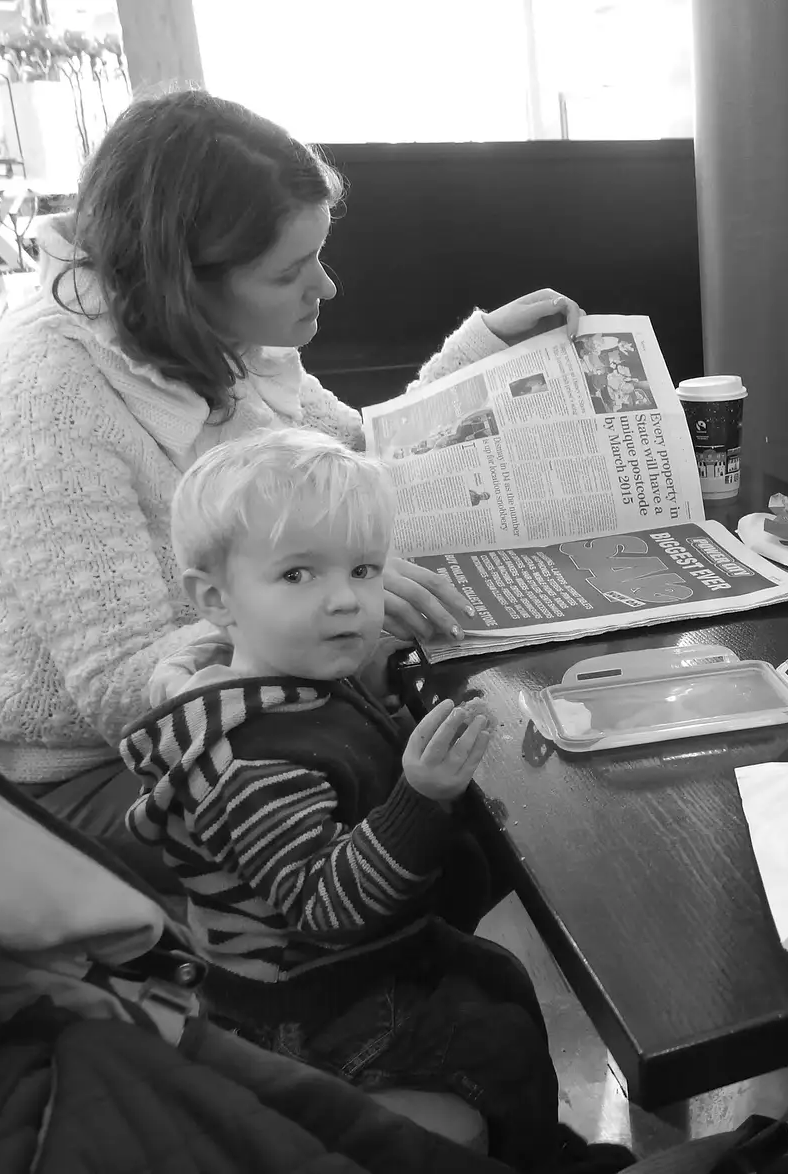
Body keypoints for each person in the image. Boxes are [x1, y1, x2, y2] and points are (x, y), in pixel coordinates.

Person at [0, 89, 580, 887]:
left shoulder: (212, 331)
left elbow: (347, 460)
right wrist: (331, 593)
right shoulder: (46, 390)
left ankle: (394, 979)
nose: (326, 288)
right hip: (105, 769)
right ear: (181, 278)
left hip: (269, 691)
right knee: (430, 790)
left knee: (483, 764)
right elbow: (123, 687)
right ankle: (352, 994)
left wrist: (479, 355)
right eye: (290, 271)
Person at [117, 429, 631, 1172]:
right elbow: (328, 908)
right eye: (297, 575)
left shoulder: (296, 676)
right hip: (298, 1007)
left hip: (348, 965)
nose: (344, 601)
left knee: (500, 982)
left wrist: (387, 703)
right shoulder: (248, 759)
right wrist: (419, 797)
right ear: (214, 600)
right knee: (498, 1038)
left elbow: (346, 752)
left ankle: (530, 1144)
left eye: (362, 570)